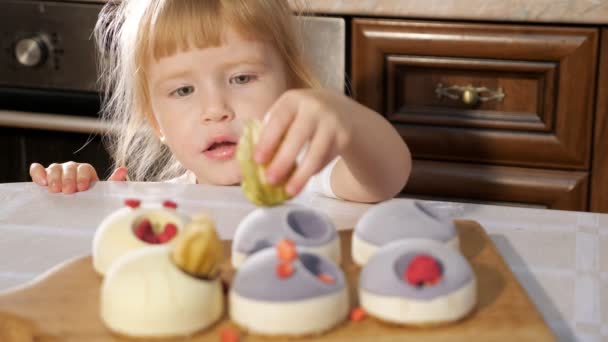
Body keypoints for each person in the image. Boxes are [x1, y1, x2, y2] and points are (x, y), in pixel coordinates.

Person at [29, 0, 411, 203]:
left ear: (292, 88)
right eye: (183, 90)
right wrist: (88, 201)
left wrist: (346, 121)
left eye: (241, 78)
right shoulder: (164, 201)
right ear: (156, 121)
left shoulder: (309, 175)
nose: (215, 110)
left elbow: (386, 177)